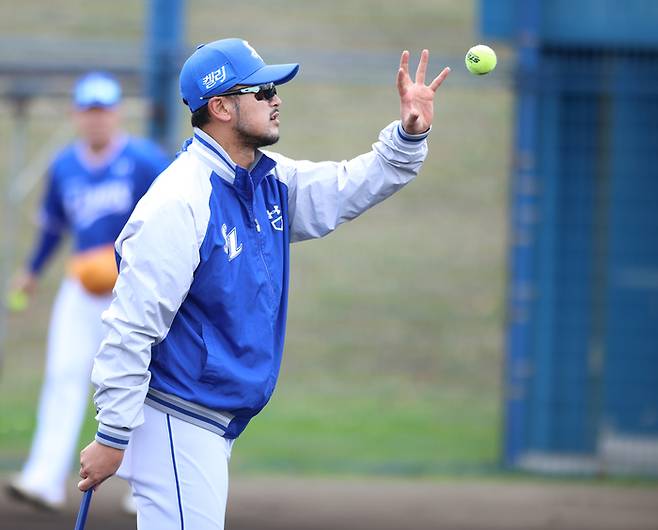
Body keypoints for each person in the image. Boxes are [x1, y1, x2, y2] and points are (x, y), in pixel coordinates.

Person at [77, 38, 450, 529]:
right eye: (263, 89)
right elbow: (131, 326)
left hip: (206, 419)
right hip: (177, 413)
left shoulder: (268, 180)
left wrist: (407, 136)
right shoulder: (179, 200)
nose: (276, 98)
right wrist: (112, 434)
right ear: (220, 107)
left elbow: (347, 186)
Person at [7, 72, 170, 511]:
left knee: (141, 384)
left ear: (116, 114)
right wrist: (32, 270)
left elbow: (171, 216)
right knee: (63, 376)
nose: (97, 119)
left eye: (104, 110)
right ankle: (43, 479)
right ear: (76, 115)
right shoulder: (64, 165)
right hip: (81, 290)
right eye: (89, 111)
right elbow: (54, 227)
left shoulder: (144, 160)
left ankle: (145, 489)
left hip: (133, 292)